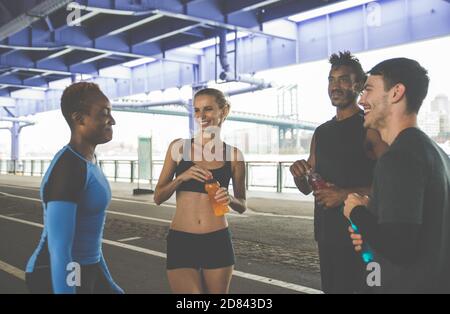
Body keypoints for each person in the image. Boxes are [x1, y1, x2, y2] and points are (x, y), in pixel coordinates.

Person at [344, 58, 450, 293]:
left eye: (368, 90)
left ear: (396, 93)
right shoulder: (439, 156)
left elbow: (399, 248)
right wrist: (372, 232)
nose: (361, 100)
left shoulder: (398, 158)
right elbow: (424, 235)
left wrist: (356, 211)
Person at [289, 51, 388, 294]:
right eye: (331, 80)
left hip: (362, 236)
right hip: (327, 235)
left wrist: (345, 194)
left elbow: (392, 187)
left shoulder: (371, 128)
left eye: (343, 79)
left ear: (358, 85)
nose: (335, 86)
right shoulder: (321, 132)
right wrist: (298, 174)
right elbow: (307, 187)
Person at [25, 82, 123, 294]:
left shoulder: (88, 161)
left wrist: (108, 284)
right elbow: (59, 249)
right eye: (104, 113)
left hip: (84, 269)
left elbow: (89, 242)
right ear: (79, 118)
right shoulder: (69, 168)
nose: (112, 120)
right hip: (55, 273)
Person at [154, 88, 247, 294]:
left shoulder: (233, 155)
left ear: (224, 111)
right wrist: (181, 178)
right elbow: (158, 197)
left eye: (208, 109)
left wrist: (229, 198)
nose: (201, 116)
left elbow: (242, 205)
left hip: (217, 240)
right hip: (181, 239)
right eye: (196, 110)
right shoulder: (179, 148)